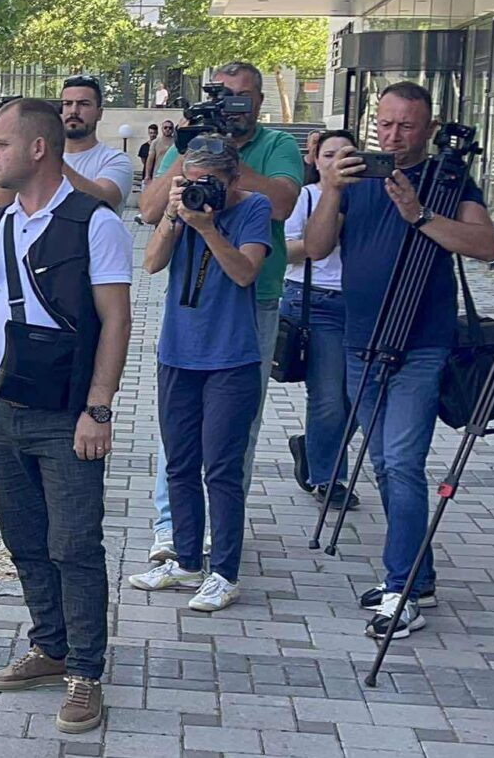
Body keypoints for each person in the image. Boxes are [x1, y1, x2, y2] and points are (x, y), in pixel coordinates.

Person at [0, 97, 132, 734]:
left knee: (74, 545)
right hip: (0, 409)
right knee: (24, 540)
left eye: (0, 143)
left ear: (37, 149)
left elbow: (116, 320)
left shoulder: (93, 222)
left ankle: (85, 671)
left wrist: (98, 409)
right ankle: (50, 647)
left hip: (65, 413)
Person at [306, 81, 494, 639]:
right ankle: (419, 574)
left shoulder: (448, 178)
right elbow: (317, 249)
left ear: (430, 129)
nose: (393, 136)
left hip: (421, 342)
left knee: (401, 462)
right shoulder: (356, 176)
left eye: (406, 126)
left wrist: (419, 215)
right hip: (360, 339)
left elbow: (485, 245)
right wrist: (330, 188)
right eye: (385, 124)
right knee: (384, 463)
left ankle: (402, 588)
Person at [138, 61, 302, 564]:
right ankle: (174, 530)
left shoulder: (277, 145)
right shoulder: (191, 148)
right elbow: (148, 211)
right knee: (180, 436)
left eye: (240, 97)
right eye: (222, 96)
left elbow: (282, 204)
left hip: (255, 299)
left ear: (258, 101)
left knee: (234, 431)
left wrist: (225, 160)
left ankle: (220, 532)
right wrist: (190, 157)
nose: (230, 106)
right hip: (189, 307)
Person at [129, 142, 273, 612]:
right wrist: (174, 216)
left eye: (210, 183)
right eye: (190, 182)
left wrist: (208, 228)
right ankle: (186, 561)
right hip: (177, 353)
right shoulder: (182, 211)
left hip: (231, 358)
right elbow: (151, 263)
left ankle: (225, 573)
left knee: (223, 470)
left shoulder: (254, 207)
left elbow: (245, 272)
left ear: (233, 180)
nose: (200, 191)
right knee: (179, 464)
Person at [282, 129, 359, 510]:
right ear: (314, 159)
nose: (337, 162)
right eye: (329, 155)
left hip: (362, 304)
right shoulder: (306, 197)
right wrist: (323, 235)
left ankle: (313, 449)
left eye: (346, 154)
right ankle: (328, 478)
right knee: (328, 396)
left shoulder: (369, 196)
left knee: (358, 398)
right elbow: (284, 249)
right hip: (315, 300)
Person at [56, 74, 136, 211]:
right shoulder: (38, 157)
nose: (74, 111)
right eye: (67, 104)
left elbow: (105, 200)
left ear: (100, 113)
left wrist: (53, 161)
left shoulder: (115, 160)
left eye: (84, 104)